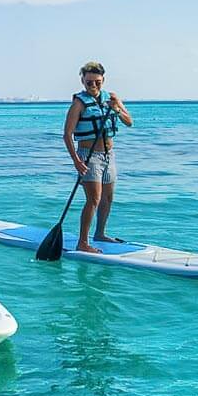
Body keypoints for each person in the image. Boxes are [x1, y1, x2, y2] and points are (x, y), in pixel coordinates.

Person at [62, 61, 134, 253]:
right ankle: (82, 242)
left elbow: (129, 122)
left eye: (97, 82)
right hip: (88, 156)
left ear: (103, 80)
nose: (93, 86)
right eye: (89, 82)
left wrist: (116, 109)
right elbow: (67, 134)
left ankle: (100, 233)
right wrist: (76, 161)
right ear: (83, 81)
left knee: (108, 198)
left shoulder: (112, 98)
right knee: (94, 198)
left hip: (109, 156)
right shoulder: (79, 103)